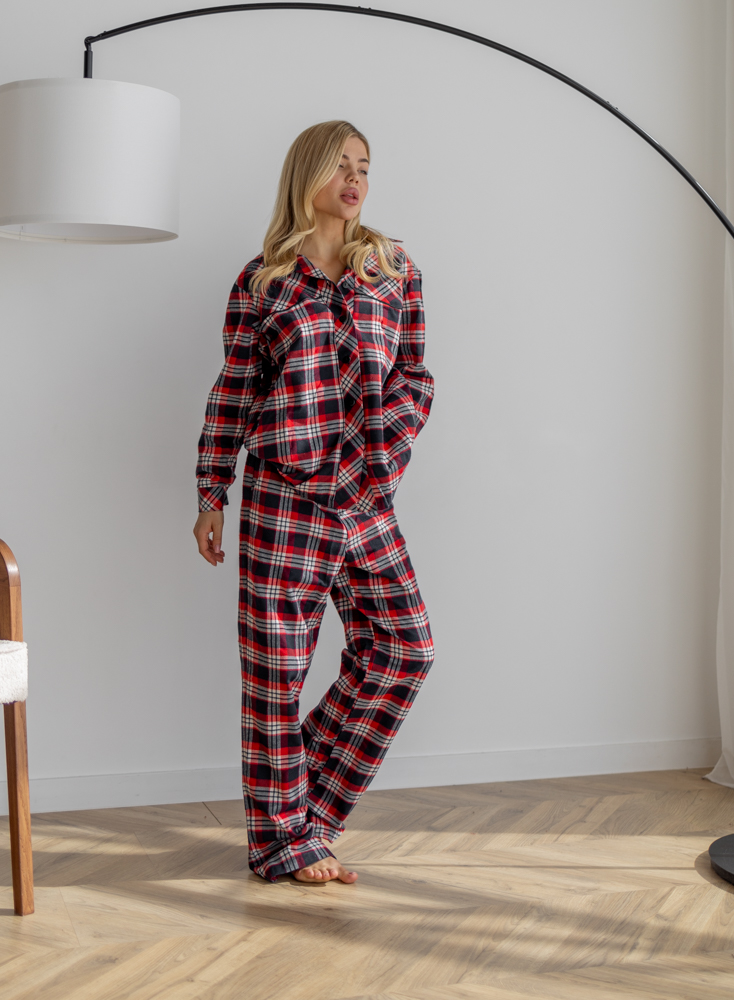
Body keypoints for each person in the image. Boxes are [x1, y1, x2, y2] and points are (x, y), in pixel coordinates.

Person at [193, 120, 435, 885]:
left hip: (365, 497)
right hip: (283, 497)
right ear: (308, 176)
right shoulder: (263, 282)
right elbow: (235, 390)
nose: (355, 179)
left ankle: (306, 815)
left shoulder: (393, 270)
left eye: (364, 166)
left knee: (404, 650)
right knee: (276, 676)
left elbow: (415, 377)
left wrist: (384, 454)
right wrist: (211, 491)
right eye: (340, 165)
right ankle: (283, 844)